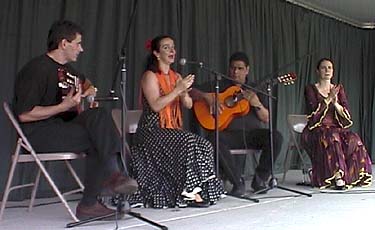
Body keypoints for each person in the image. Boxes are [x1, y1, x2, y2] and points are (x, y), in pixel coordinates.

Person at [13, 20, 138, 220]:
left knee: (100, 115)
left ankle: (113, 179)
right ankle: (100, 192)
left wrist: (89, 92)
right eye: (78, 43)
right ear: (64, 44)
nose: (81, 49)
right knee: (97, 137)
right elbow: (24, 114)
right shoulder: (36, 69)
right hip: (39, 133)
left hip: (64, 127)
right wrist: (62, 107)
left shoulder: (69, 71)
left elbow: (89, 85)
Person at [128, 35, 224, 208]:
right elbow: (156, 105)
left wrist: (182, 92)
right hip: (151, 131)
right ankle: (190, 192)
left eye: (173, 47)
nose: (172, 51)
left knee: (204, 144)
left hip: (171, 130)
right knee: (188, 141)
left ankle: (202, 188)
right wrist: (177, 89)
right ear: (157, 53)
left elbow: (187, 105)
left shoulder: (176, 76)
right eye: (166, 48)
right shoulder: (149, 76)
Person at [191, 52, 283, 195]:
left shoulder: (255, 89)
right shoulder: (218, 86)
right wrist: (207, 97)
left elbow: (266, 118)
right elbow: (191, 91)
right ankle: (237, 182)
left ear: (247, 70)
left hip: (252, 134)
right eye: (233, 68)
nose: (235, 72)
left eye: (240, 68)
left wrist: (257, 104)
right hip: (228, 135)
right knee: (213, 138)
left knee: (276, 137)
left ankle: (260, 178)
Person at [301, 57, 372, 189]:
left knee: (354, 138)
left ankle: (353, 175)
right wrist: (328, 99)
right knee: (331, 137)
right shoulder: (310, 89)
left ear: (333, 71)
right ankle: (337, 176)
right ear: (317, 71)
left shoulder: (339, 90)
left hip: (336, 129)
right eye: (323, 67)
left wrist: (336, 103)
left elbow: (347, 116)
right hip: (317, 129)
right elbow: (313, 115)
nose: (327, 70)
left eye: (330, 68)